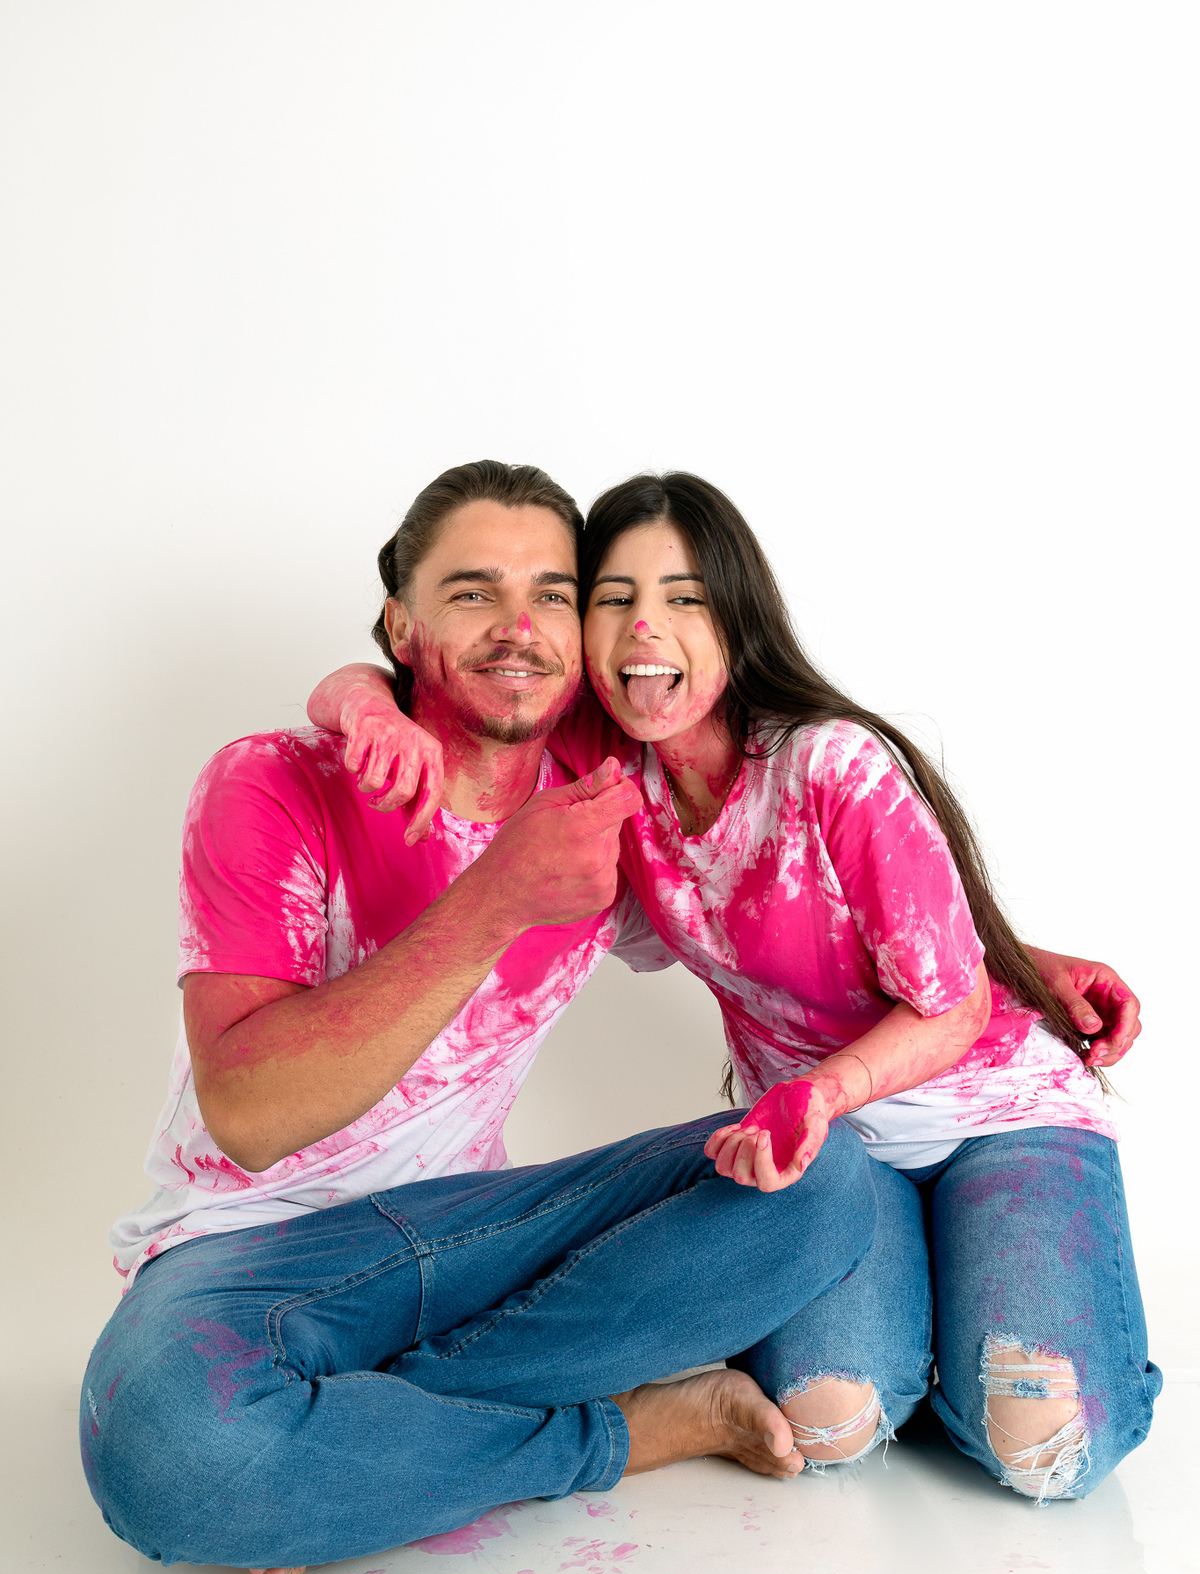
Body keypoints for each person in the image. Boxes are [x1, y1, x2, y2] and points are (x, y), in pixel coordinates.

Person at [82, 460, 895, 1574]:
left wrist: (1004, 963)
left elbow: (809, 881)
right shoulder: (271, 783)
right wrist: (492, 898)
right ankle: (616, 1432)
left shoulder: (607, 783)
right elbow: (249, 1117)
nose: (519, 627)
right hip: (250, 1254)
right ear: (401, 626)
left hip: (474, 1229)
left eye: (552, 595)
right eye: (472, 593)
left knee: (822, 1184)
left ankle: (351, 1453)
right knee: (169, 1449)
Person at [312, 469, 1156, 1504]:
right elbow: (375, 671)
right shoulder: (611, 770)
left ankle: (984, 1308)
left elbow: (956, 1003)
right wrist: (373, 710)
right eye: (614, 598)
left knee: (1044, 1450)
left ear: (737, 619)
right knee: (826, 1425)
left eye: (685, 598)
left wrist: (955, 1001)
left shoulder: (831, 765)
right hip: (832, 1158)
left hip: (995, 1111)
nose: (645, 627)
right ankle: (939, 1328)